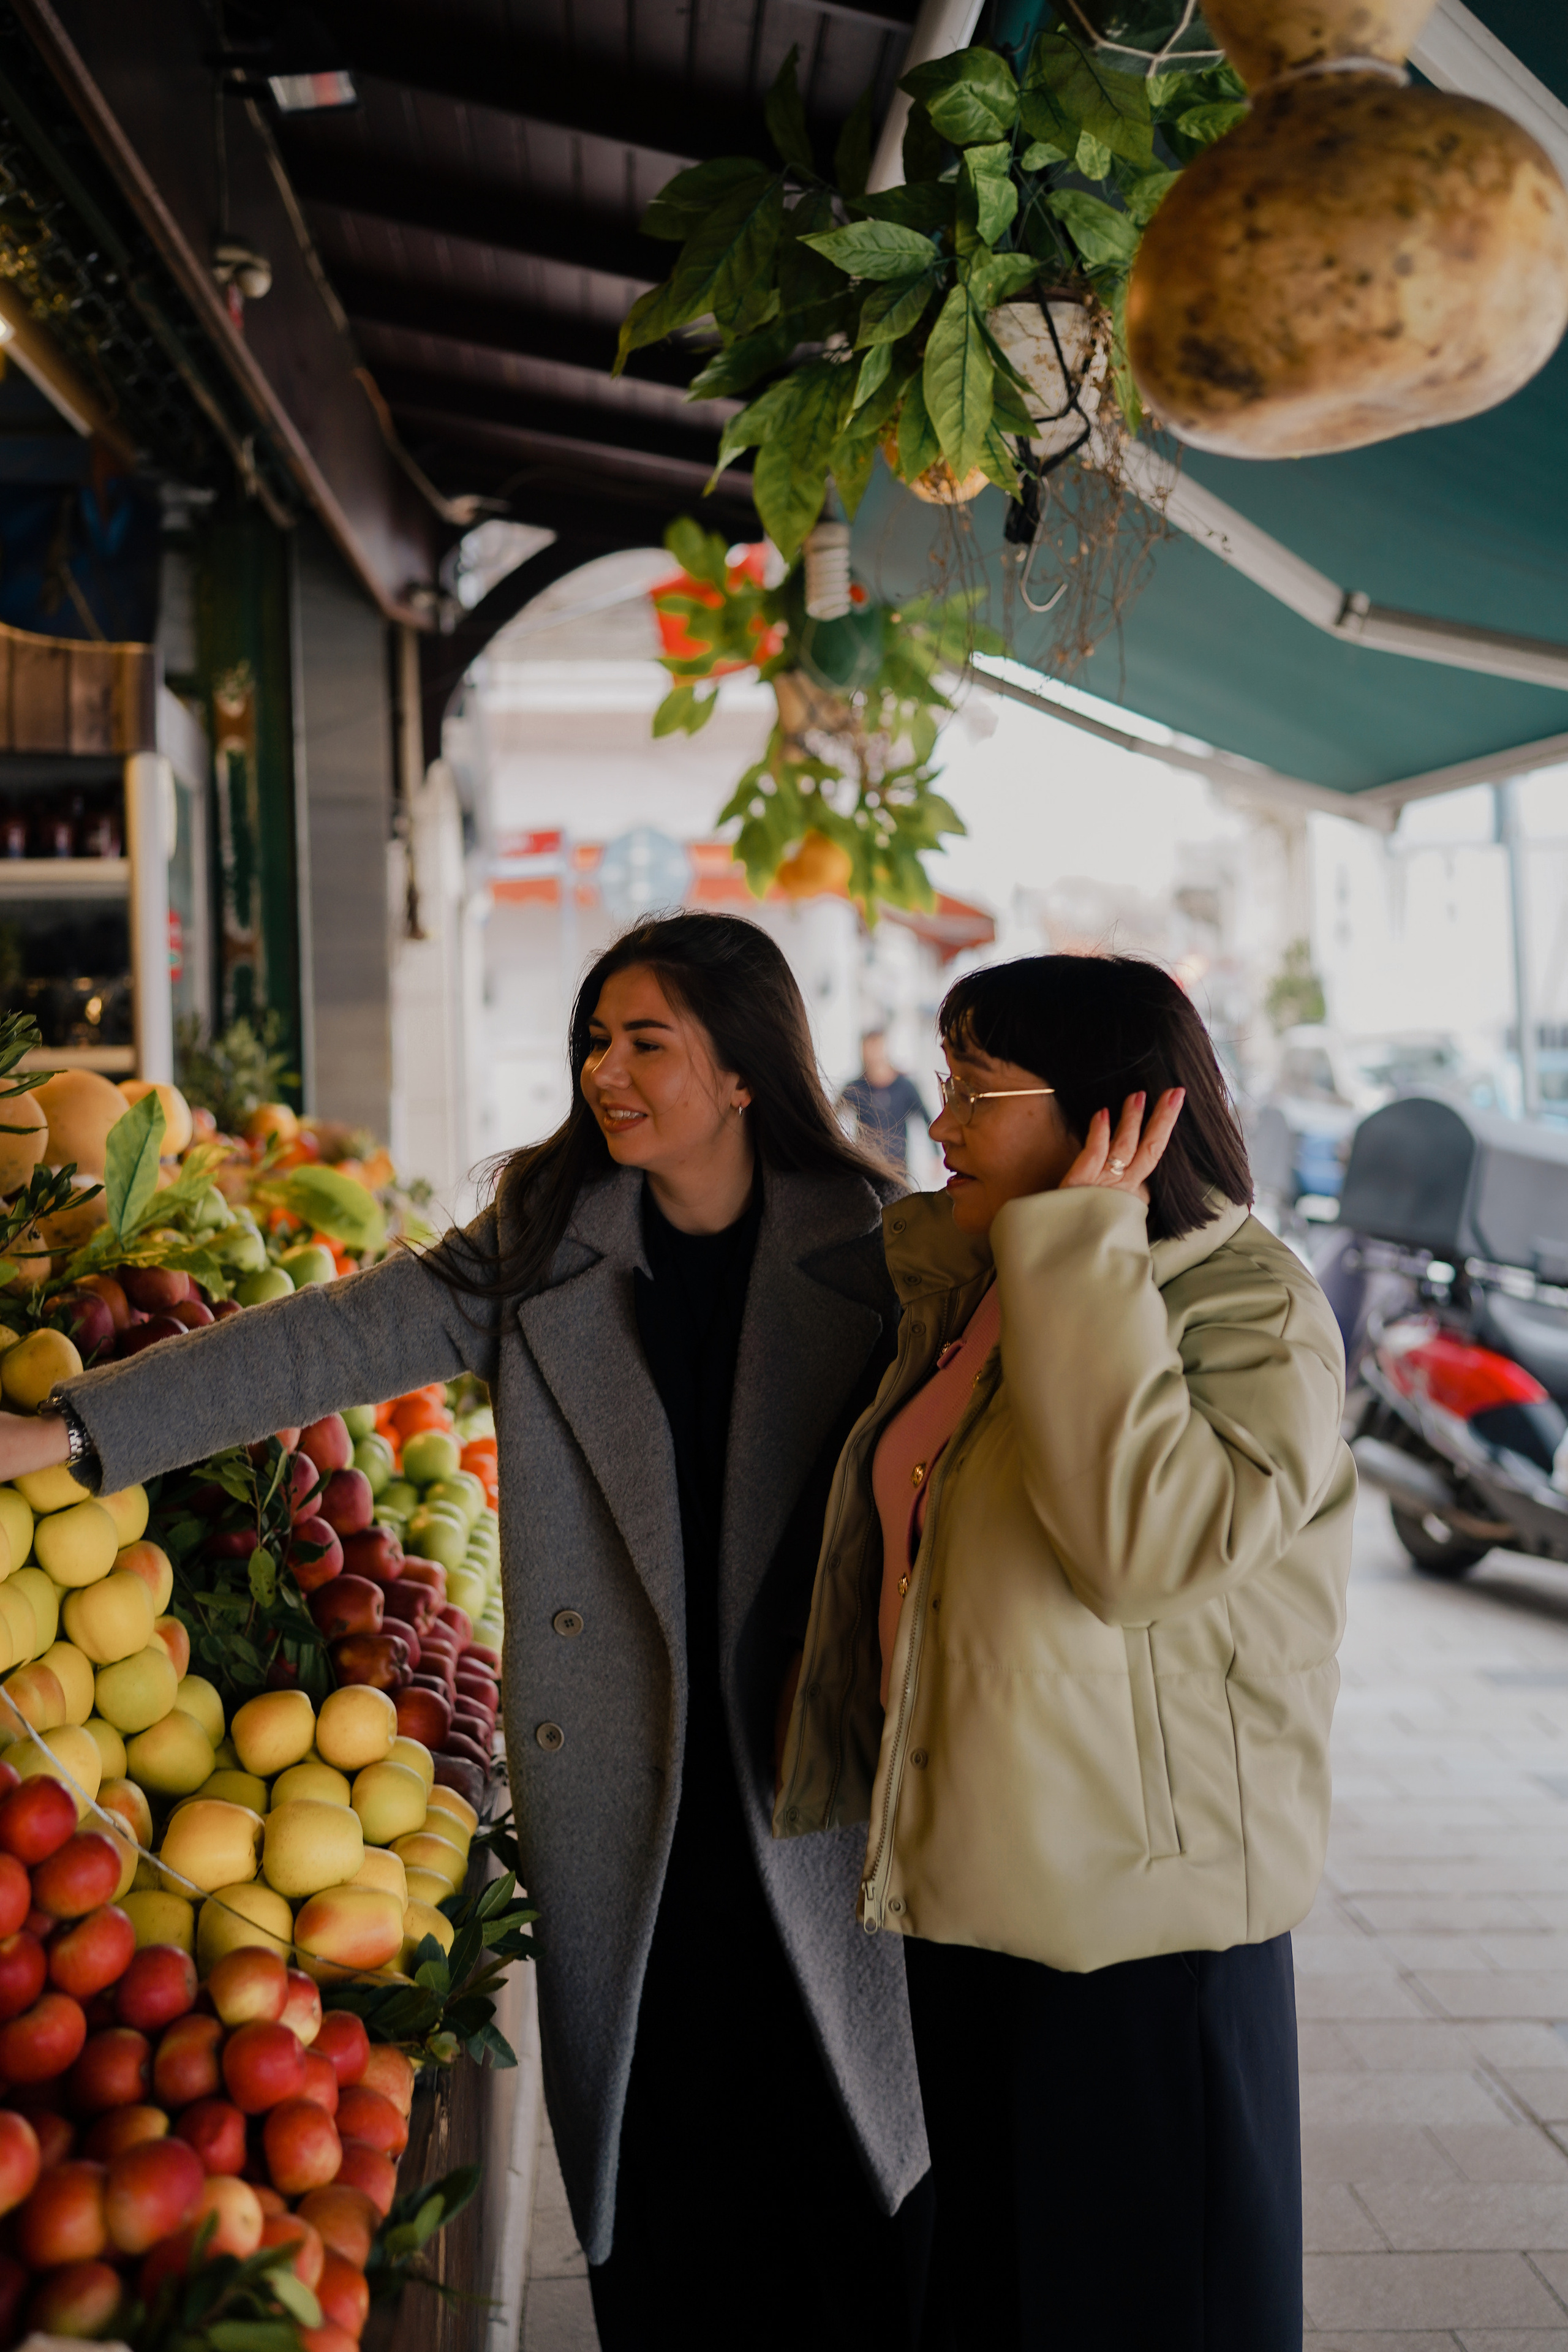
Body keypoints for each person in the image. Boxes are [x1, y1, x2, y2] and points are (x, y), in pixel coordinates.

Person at [0, 913, 936, 2352]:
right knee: (672, 2179)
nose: (603, 1068)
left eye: (645, 1040)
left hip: (811, 1781)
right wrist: (66, 1429)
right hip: (630, 1799)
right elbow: (316, 1341)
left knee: (838, 2172)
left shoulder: (878, 1254)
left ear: (746, 1068)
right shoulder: (545, 1249)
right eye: (593, 1037)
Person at [777, 953, 1355, 2351]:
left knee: (1142, 2306)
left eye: (976, 1088)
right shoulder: (973, 1286)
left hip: (1142, 1928)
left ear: (1112, 1116)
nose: (941, 1122)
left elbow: (1141, 1552)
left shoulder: (1246, 1308)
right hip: (976, 1895)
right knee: (1000, 2296)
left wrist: (1084, 1256)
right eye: (947, 1080)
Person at [840, 1030, 926, 1177]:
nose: (873, 1054)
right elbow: (832, 1116)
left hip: (898, 1167)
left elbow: (926, 1117)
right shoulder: (855, 1088)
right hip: (866, 1167)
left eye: (877, 1047)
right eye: (869, 1049)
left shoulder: (904, 1087)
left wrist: (937, 1155)